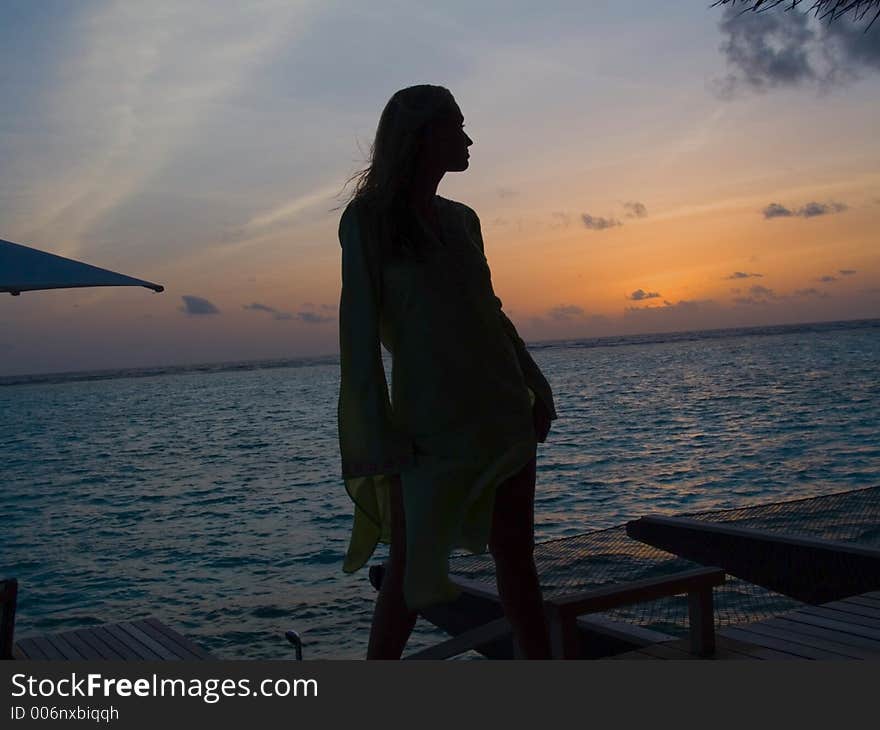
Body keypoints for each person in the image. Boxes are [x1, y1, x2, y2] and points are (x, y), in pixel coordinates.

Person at [335, 84, 559, 659]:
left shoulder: (464, 220)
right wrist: (376, 430)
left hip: (502, 410)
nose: (467, 138)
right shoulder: (368, 221)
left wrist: (535, 382)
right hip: (427, 425)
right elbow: (358, 335)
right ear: (420, 136)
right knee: (410, 571)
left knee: (517, 559)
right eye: (456, 126)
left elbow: (491, 313)